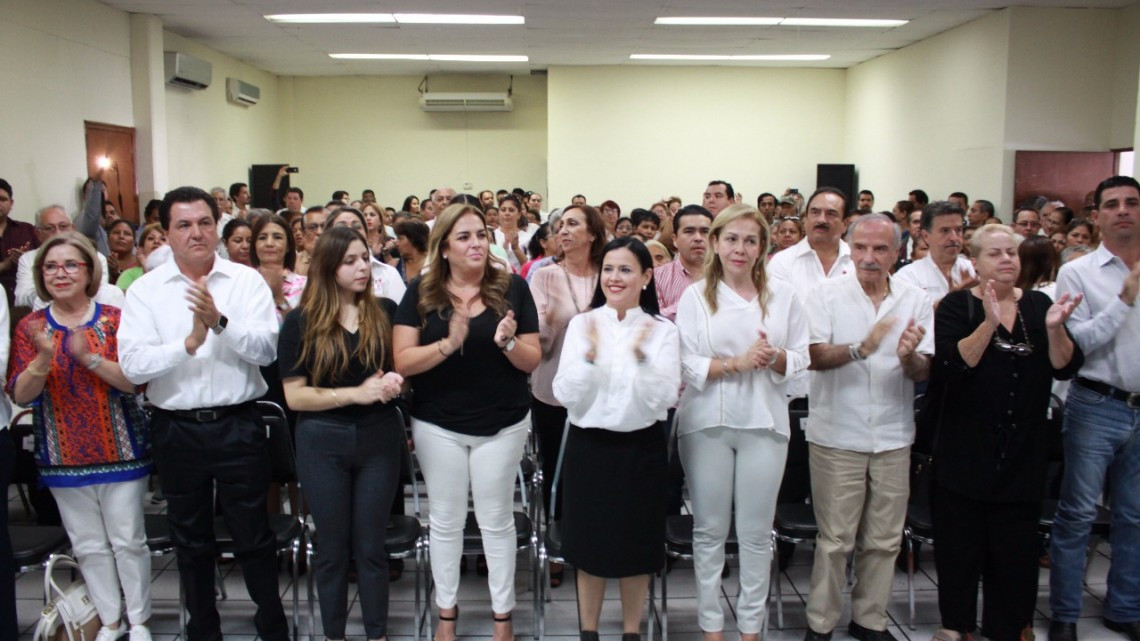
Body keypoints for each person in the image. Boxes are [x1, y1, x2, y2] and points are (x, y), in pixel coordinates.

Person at [118, 186, 288, 641]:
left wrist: (219, 323)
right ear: (167, 233)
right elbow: (133, 366)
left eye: (205, 223)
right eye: (184, 225)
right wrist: (188, 344)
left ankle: (272, 626)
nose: (196, 233)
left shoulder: (246, 281)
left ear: (218, 227)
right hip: (176, 429)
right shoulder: (146, 291)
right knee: (191, 541)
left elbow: (266, 350)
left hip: (238, 424)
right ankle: (203, 630)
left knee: (254, 535)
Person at [392, 203, 541, 641]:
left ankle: (502, 617)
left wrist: (508, 342)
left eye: (480, 234)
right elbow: (403, 362)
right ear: (443, 248)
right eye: (464, 237)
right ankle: (446, 615)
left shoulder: (512, 287)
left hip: (503, 422)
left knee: (496, 519)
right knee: (446, 519)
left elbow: (531, 359)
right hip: (438, 424)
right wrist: (447, 343)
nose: (476, 243)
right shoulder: (421, 292)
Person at [928, 224, 1082, 641]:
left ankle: (1010, 627)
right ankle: (957, 627)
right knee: (960, 553)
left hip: (1022, 454)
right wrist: (989, 323)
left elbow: (1065, 366)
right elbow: (952, 367)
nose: (1006, 260)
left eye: (1011, 252)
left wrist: (1055, 329)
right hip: (966, 453)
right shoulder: (957, 306)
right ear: (975, 263)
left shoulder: (1038, 304)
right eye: (994, 253)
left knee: (1015, 556)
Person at [7, 232, 153, 641]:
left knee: (128, 541)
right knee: (87, 545)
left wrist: (88, 358)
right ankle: (110, 621)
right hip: (62, 455)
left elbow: (135, 383)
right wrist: (43, 358)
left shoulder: (115, 318)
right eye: (51, 267)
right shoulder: (31, 326)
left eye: (71, 264)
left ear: (89, 271)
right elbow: (20, 394)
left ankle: (139, 621)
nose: (61, 273)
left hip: (121, 449)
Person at [674, 204, 810, 641]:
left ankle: (751, 628)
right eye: (731, 239)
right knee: (709, 531)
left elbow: (803, 360)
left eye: (751, 240)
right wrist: (737, 363)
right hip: (706, 424)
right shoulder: (697, 296)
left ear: (763, 247)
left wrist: (776, 358)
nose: (740, 248)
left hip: (765, 423)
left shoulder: (784, 295)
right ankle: (711, 627)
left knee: (754, 533)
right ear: (715, 242)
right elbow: (687, 363)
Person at [801, 213, 934, 641]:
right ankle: (820, 623)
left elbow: (923, 370)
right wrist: (861, 349)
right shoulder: (824, 294)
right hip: (837, 434)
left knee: (884, 539)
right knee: (835, 540)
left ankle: (869, 620)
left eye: (880, 249)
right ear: (850, 249)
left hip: (894, 435)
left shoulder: (915, 298)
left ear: (897, 252)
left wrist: (910, 356)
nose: (869, 258)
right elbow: (814, 356)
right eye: (860, 248)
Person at [278, 225, 405, 641]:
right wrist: (356, 393)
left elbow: (401, 370)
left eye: (364, 258)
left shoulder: (384, 312)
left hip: (378, 439)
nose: (362, 267)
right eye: (350, 261)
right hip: (322, 440)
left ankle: (377, 634)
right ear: (329, 267)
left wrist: (396, 382)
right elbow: (295, 397)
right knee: (332, 550)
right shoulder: (300, 322)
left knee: (371, 548)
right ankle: (333, 635)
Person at [553, 237, 680, 641]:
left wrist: (639, 356)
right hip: (589, 450)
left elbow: (663, 398)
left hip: (641, 450)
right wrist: (590, 357)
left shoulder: (662, 330)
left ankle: (631, 632)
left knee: (636, 547)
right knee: (589, 546)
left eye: (625, 269)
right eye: (608, 269)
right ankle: (588, 632)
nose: (614, 278)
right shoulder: (583, 325)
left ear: (646, 277)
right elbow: (565, 394)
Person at [1049, 176, 1140, 641]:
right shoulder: (1078, 272)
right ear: (1097, 214)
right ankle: (1065, 614)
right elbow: (1076, 343)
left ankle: (1124, 608)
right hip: (1096, 403)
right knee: (1078, 515)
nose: (1123, 210)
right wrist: (1125, 299)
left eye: (1132, 203)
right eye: (1113, 204)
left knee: (1134, 517)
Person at [529, 205, 607, 586]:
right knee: (557, 469)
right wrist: (544, 324)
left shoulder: (609, 272)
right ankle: (559, 546)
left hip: (602, 391)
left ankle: (593, 543)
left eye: (573, 224)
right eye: (560, 225)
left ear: (593, 233)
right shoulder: (544, 275)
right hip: (552, 389)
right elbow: (537, 342)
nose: (563, 230)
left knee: (596, 468)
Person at [894, 201, 976, 305]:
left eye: (958, 230)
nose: (954, 238)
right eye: (945, 231)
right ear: (926, 236)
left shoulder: (974, 272)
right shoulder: (907, 276)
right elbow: (908, 314)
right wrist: (951, 298)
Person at [655, 205, 713, 321]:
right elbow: (654, 321)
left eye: (705, 232)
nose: (698, 238)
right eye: (689, 231)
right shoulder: (657, 277)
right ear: (675, 239)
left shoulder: (727, 276)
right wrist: (691, 303)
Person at [0, 178, 40, 307]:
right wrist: (5, 265)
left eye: (2, 199)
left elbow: (47, 261)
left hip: (27, 303)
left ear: (11, 203)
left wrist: (27, 259)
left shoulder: (27, 229)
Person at [117, 223, 166, 291]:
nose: (156, 241)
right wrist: (146, 270)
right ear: (141, 248)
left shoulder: (177, 271)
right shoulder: (129, 274)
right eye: (151, 238)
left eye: (163, 239)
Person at [494, 194, 532, 271]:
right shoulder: (492, 235)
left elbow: (531, 267)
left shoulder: (528, 237)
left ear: (519, 214)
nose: (507, 213)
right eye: (503, 210)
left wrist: (516, 248)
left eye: (511, 210)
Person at [394, 218, 429, 284]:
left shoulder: (433, 264)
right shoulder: (394, 265)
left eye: (400, 238)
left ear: (413, 239)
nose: (397, 243)